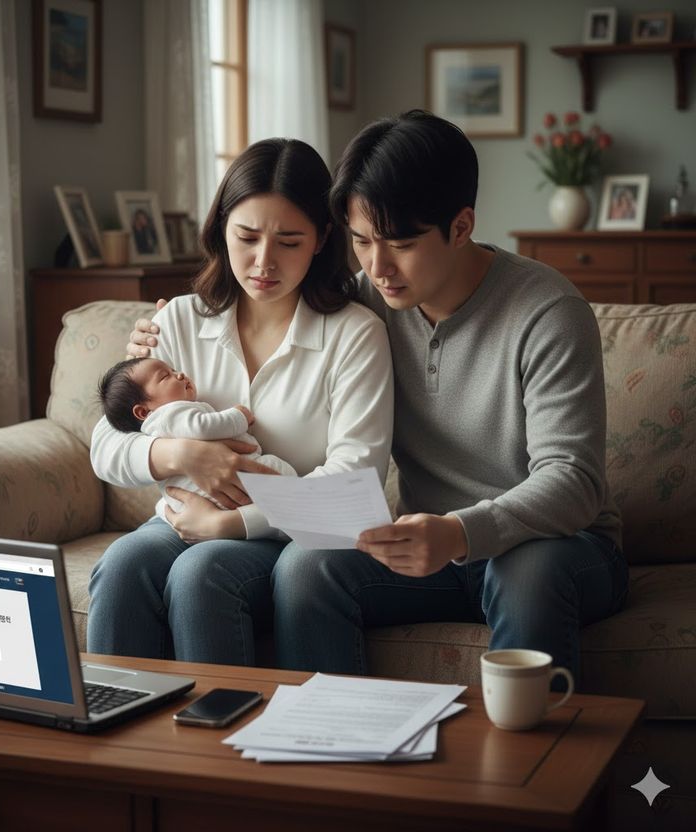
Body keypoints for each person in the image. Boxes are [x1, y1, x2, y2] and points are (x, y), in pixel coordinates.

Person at [130, 111, 628, 684]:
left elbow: (574, 479)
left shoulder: (548, 313)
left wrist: (461, 532)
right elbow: (263, 301)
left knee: (527, 575)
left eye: (402, 244)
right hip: (426, 546)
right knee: (306, 568)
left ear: (461, 225)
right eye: (361, 242)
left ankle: (531, 770)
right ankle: (333, 752)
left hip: (557, 546)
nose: (378, 267)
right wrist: (149, 351)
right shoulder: (365, 304)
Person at [87, 138, 394, 665]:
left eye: (289, 242)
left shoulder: (355, 334)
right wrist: (183, 456)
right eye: (246, 237)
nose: (263, 263)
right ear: (220, 228)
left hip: (293, 532)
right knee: (121, 565)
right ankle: (111, 737)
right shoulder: (180, 319)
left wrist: (231, 523)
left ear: (322, 239)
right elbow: (106, 445)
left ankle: (221, 738)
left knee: (200, 572)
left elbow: (353, 483)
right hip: (181, 517)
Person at [96, 355, 296, 522]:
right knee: (280, 471)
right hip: (216, 493)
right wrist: (239, 416)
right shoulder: (169, 415)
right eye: (166, 376)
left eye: (173, 369)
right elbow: (202, 427)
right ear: (142, 411)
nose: (180, 374)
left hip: (198, 503)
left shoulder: (159, 422)